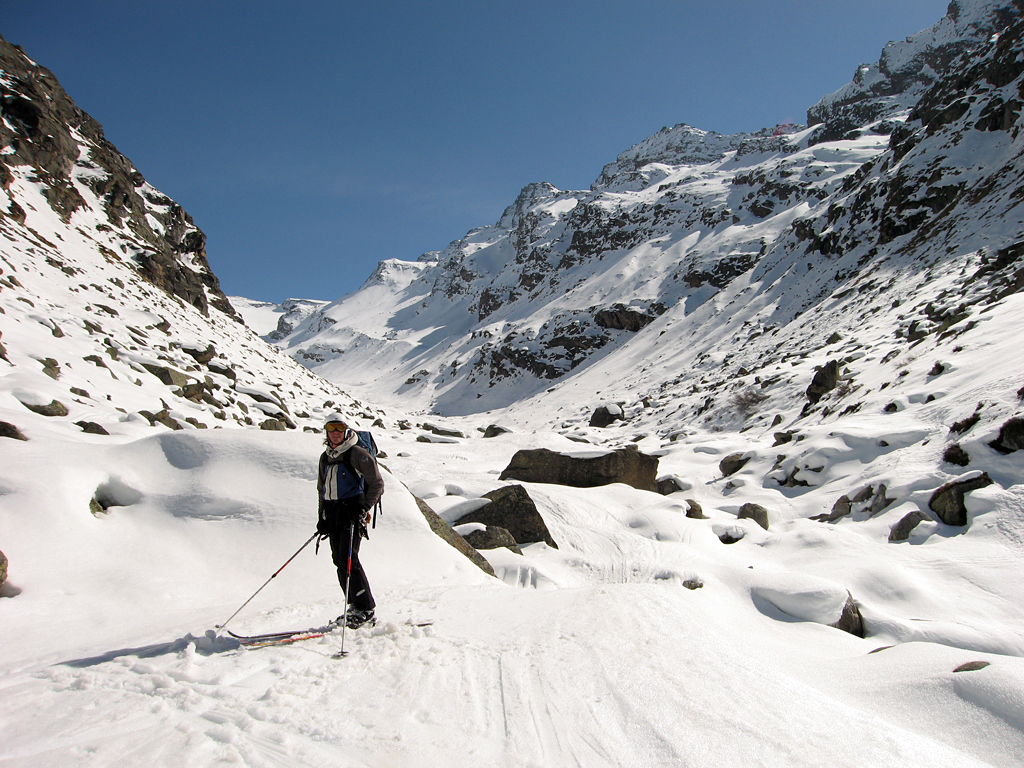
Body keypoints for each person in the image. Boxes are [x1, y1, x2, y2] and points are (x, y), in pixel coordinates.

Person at [316, 413, 384, 629]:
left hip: (352, 513)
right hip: (333, 513)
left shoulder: (357, 453)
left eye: (339, 428)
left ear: (345, 430)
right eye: (331, 428)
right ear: (326, 432)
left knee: (349, 560)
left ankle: (365, 608)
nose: (335, 433)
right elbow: (322, 489)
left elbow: (377, 484)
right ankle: (355, 605)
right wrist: (322, 516)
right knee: (339, 560)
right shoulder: (325, 457)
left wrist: (363, 508)